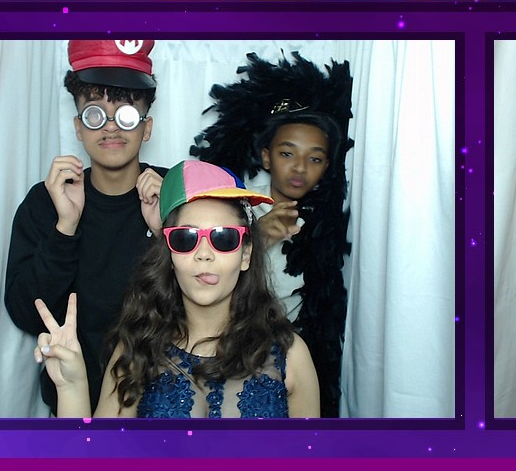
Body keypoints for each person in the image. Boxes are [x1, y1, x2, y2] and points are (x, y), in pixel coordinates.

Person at [32, 159, 320, 418]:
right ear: (169, 255)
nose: (204, 254)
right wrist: (71, 386)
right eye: (186, 238)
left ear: (245, 255)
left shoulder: (292, 356)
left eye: (223, 238)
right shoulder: (136, 351)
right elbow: (96, 455)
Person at [4, 40, 166, 413]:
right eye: (95, 114)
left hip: (164, 404)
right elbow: (25, 314)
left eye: (126, 114)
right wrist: (65, 227)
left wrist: (164, 235)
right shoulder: (46, 201)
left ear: (146, 128)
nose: (110, 127)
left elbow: (210, 300)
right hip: (71, 403)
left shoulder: (176, 193)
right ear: (79, 127)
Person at [190, 52, 355, 415]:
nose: (300, 168)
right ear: (266, 158)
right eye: (287, 153)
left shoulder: (332, 223)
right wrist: (257, 238)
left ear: (328, 166)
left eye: (314, 158)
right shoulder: (233, 210)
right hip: (227, 354)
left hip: (289, 365)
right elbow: (199, 279)